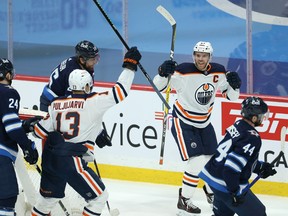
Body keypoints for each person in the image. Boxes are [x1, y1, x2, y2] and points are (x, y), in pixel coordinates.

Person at [28, 47, 141, 216]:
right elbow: (120, 91)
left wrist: (29, 125)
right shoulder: (93, 102)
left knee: (45, 203)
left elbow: (38, 132)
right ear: (88, 85)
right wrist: (129, 66)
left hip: (51, 161)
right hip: (72, 162)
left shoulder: (56, 105)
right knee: (99, 198)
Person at [153, 41, 242, 214]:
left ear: (210, 57)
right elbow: (159, 86)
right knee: (195, 162)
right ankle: (184, 200)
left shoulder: (218, 71)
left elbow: (232, 98)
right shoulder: (182, 71)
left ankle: (209, 192)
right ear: (194, 56)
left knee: (212, 161)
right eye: (198, 55)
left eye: (204, 56)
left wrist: (235, 86)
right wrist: (163, 73)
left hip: (204, 123)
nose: (200, 59)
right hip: (183, 122)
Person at [199, 96, 277, 216]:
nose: (263, 118)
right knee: (259, 213)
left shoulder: (239, 124)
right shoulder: (252, 137)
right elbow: (231, 169)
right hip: (225, 184)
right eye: (261, 115)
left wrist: (260, 167)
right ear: (254, 117)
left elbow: (238, 158)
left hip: (213, 178)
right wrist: (235, 192)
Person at [0, 58, 39, 216]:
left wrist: (23, 125)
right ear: (8, 75)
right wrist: (28, 146)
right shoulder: (9, 92)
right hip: (1, 154)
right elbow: (11, 127)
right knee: (7, 201)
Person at [39, 40, 100, 112]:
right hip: (50, 104)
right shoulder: (74, 73)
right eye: (92, 59)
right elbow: (71, 103)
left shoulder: (83, 66)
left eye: (96, 58)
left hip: (57, 101)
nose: (95, 62)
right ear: (82, 60)